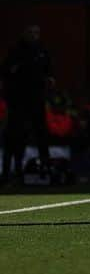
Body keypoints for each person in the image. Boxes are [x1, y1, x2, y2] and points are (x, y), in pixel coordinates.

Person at [1, 25, 53, 184]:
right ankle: (11, 170)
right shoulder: (16, 52)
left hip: (37, 100)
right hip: (18, 101)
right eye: (30, 32)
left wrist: (49, 79)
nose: (34, 35)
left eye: (36, 32)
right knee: (15, 136)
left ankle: (45, 168)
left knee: (41, 134)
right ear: (24, 34)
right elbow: (6, 72)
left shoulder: (42, 51)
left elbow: (49, 72)